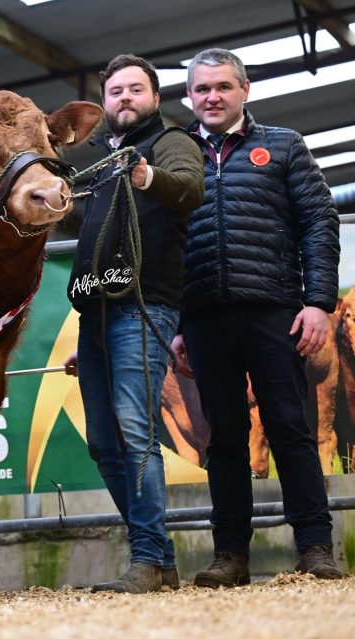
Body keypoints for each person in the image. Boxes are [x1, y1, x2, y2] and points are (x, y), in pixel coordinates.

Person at [172, 48, 343, 586]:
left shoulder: (283, 146)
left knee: (291, 429)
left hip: (275, 312)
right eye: (202, 89)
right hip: (202, 317)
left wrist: (317, 302)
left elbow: (319, 220)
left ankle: (315, 548)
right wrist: (177, 322)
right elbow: (164, 243)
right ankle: (231, 556)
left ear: (245, 90)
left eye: (223, 87)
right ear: (189, 98)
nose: (212, 97)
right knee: (222, 438)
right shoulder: (174, 156)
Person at [64, 54, 204, 593]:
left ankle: (146, 558)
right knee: (103, 440)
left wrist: (148, 176)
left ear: (154, 97)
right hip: (97, 315)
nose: (125, 98)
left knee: (135, 431)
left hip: (144, 306)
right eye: (116, 91)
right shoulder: (100, 162)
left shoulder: (169, 143)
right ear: (104, 103)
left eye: (136, 90)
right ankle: (159, 559)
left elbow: (190, 190)